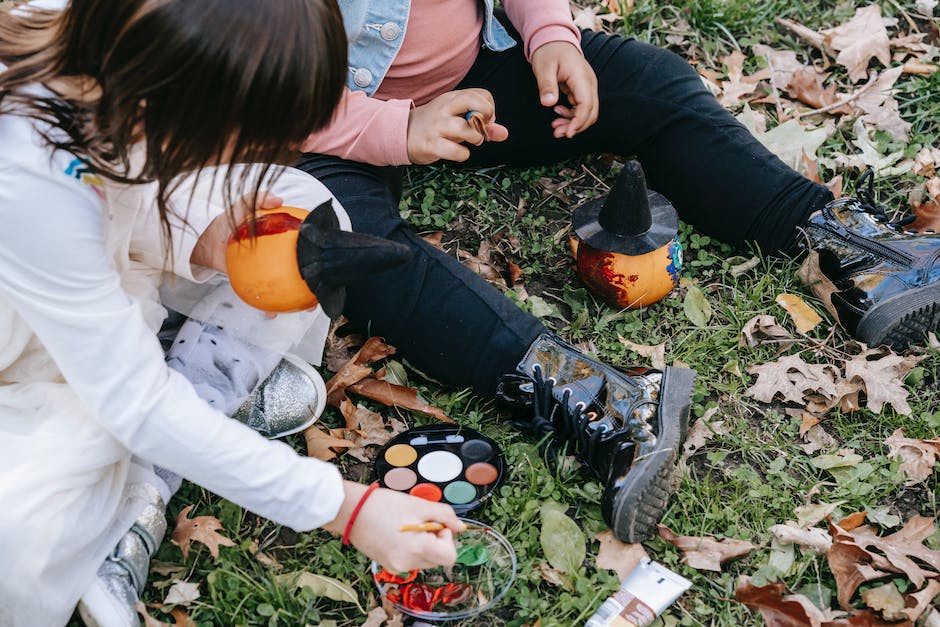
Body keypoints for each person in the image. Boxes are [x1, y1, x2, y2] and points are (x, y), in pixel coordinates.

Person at [295, 0, 940, 545]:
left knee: (650, 82)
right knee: (350, 246)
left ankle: (860, 254)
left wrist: (551, 35)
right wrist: (398, 129)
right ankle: (603, 404)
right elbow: (223, 77)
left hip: (480, 77)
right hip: (316, 125)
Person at [0, 1, 464, 626]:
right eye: (237, 140)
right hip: (26, 343)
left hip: (93, 269)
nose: (242, 156)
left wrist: (206, 233)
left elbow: (125, 188)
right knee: (25, 538)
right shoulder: (32, 173)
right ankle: (148, 477)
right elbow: (131, 398)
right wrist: (344, 507)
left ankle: (186, 411)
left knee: (305, 216)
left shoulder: (110, 44)